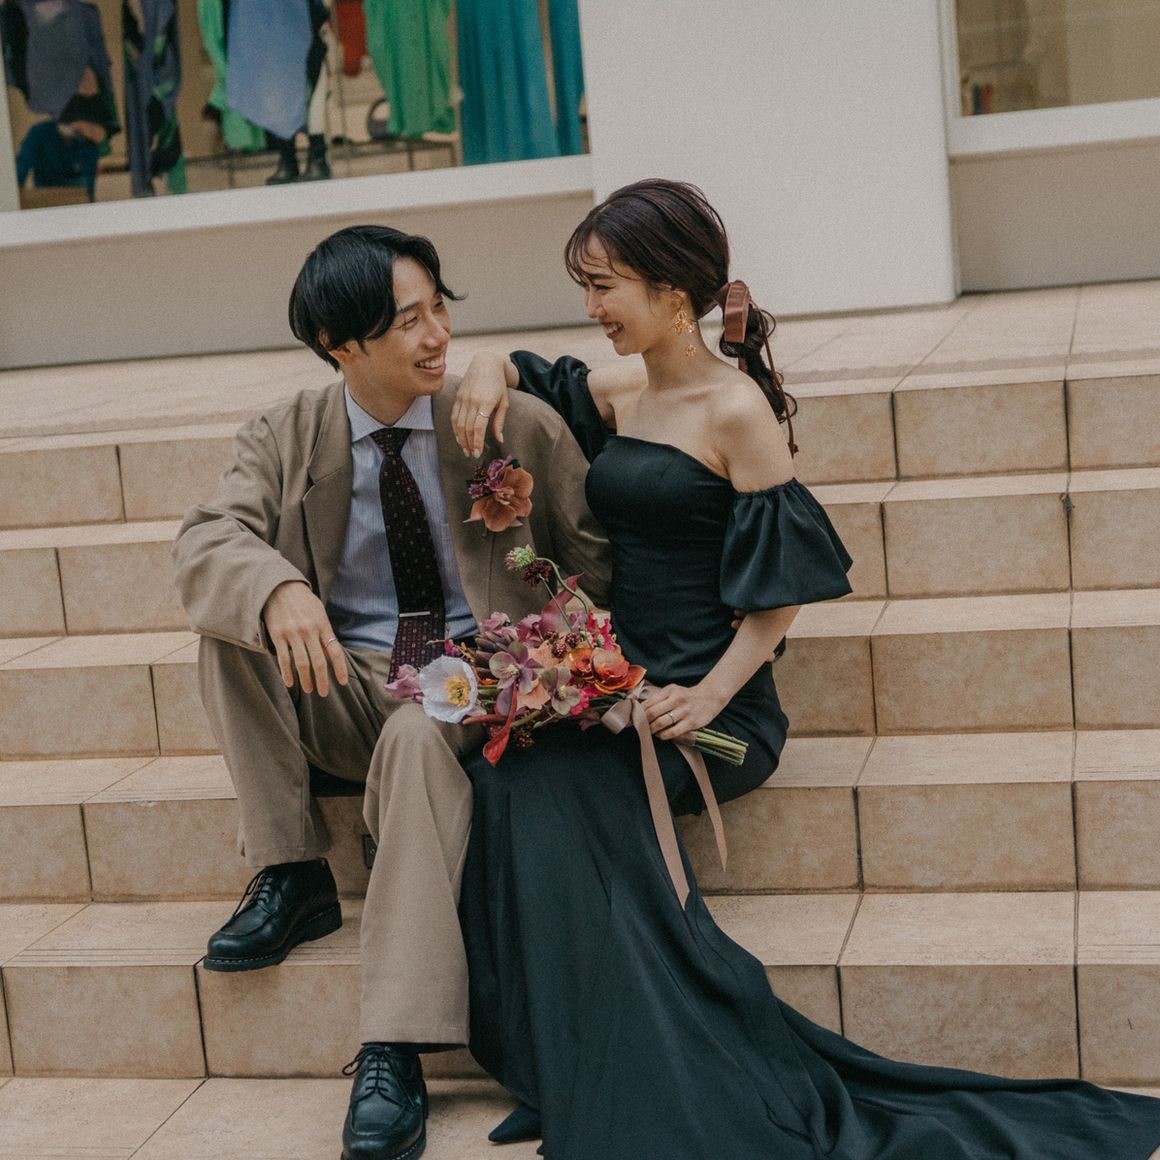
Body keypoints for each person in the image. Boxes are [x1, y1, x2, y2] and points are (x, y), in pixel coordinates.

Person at [449, 178, 1160, 1159]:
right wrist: (484, 365)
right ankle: (566, 1059)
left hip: (716, 712)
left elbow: (780, 593)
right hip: (623, 688)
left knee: (558, 788)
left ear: (670, 290)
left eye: (604, 284)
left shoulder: (735, 410)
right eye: (586, 285)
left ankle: (628, 1058)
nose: (591, 305)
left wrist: (707, 695)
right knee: (510, 774)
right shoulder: (620, 389)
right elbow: (535, 373)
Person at [172, 224, 609, 1160]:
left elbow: (594, 569)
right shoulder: (285, 434)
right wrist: (277, 589)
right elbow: (205, 541)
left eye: (439, 309)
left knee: (416, 733)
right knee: (232, 627)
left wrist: (549, 658)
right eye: (409, 321)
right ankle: (293, 869)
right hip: (348, 676)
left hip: (471, 677)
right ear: (341, 346)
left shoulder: (510, 423)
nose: (437, 335)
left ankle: (393, 1047)